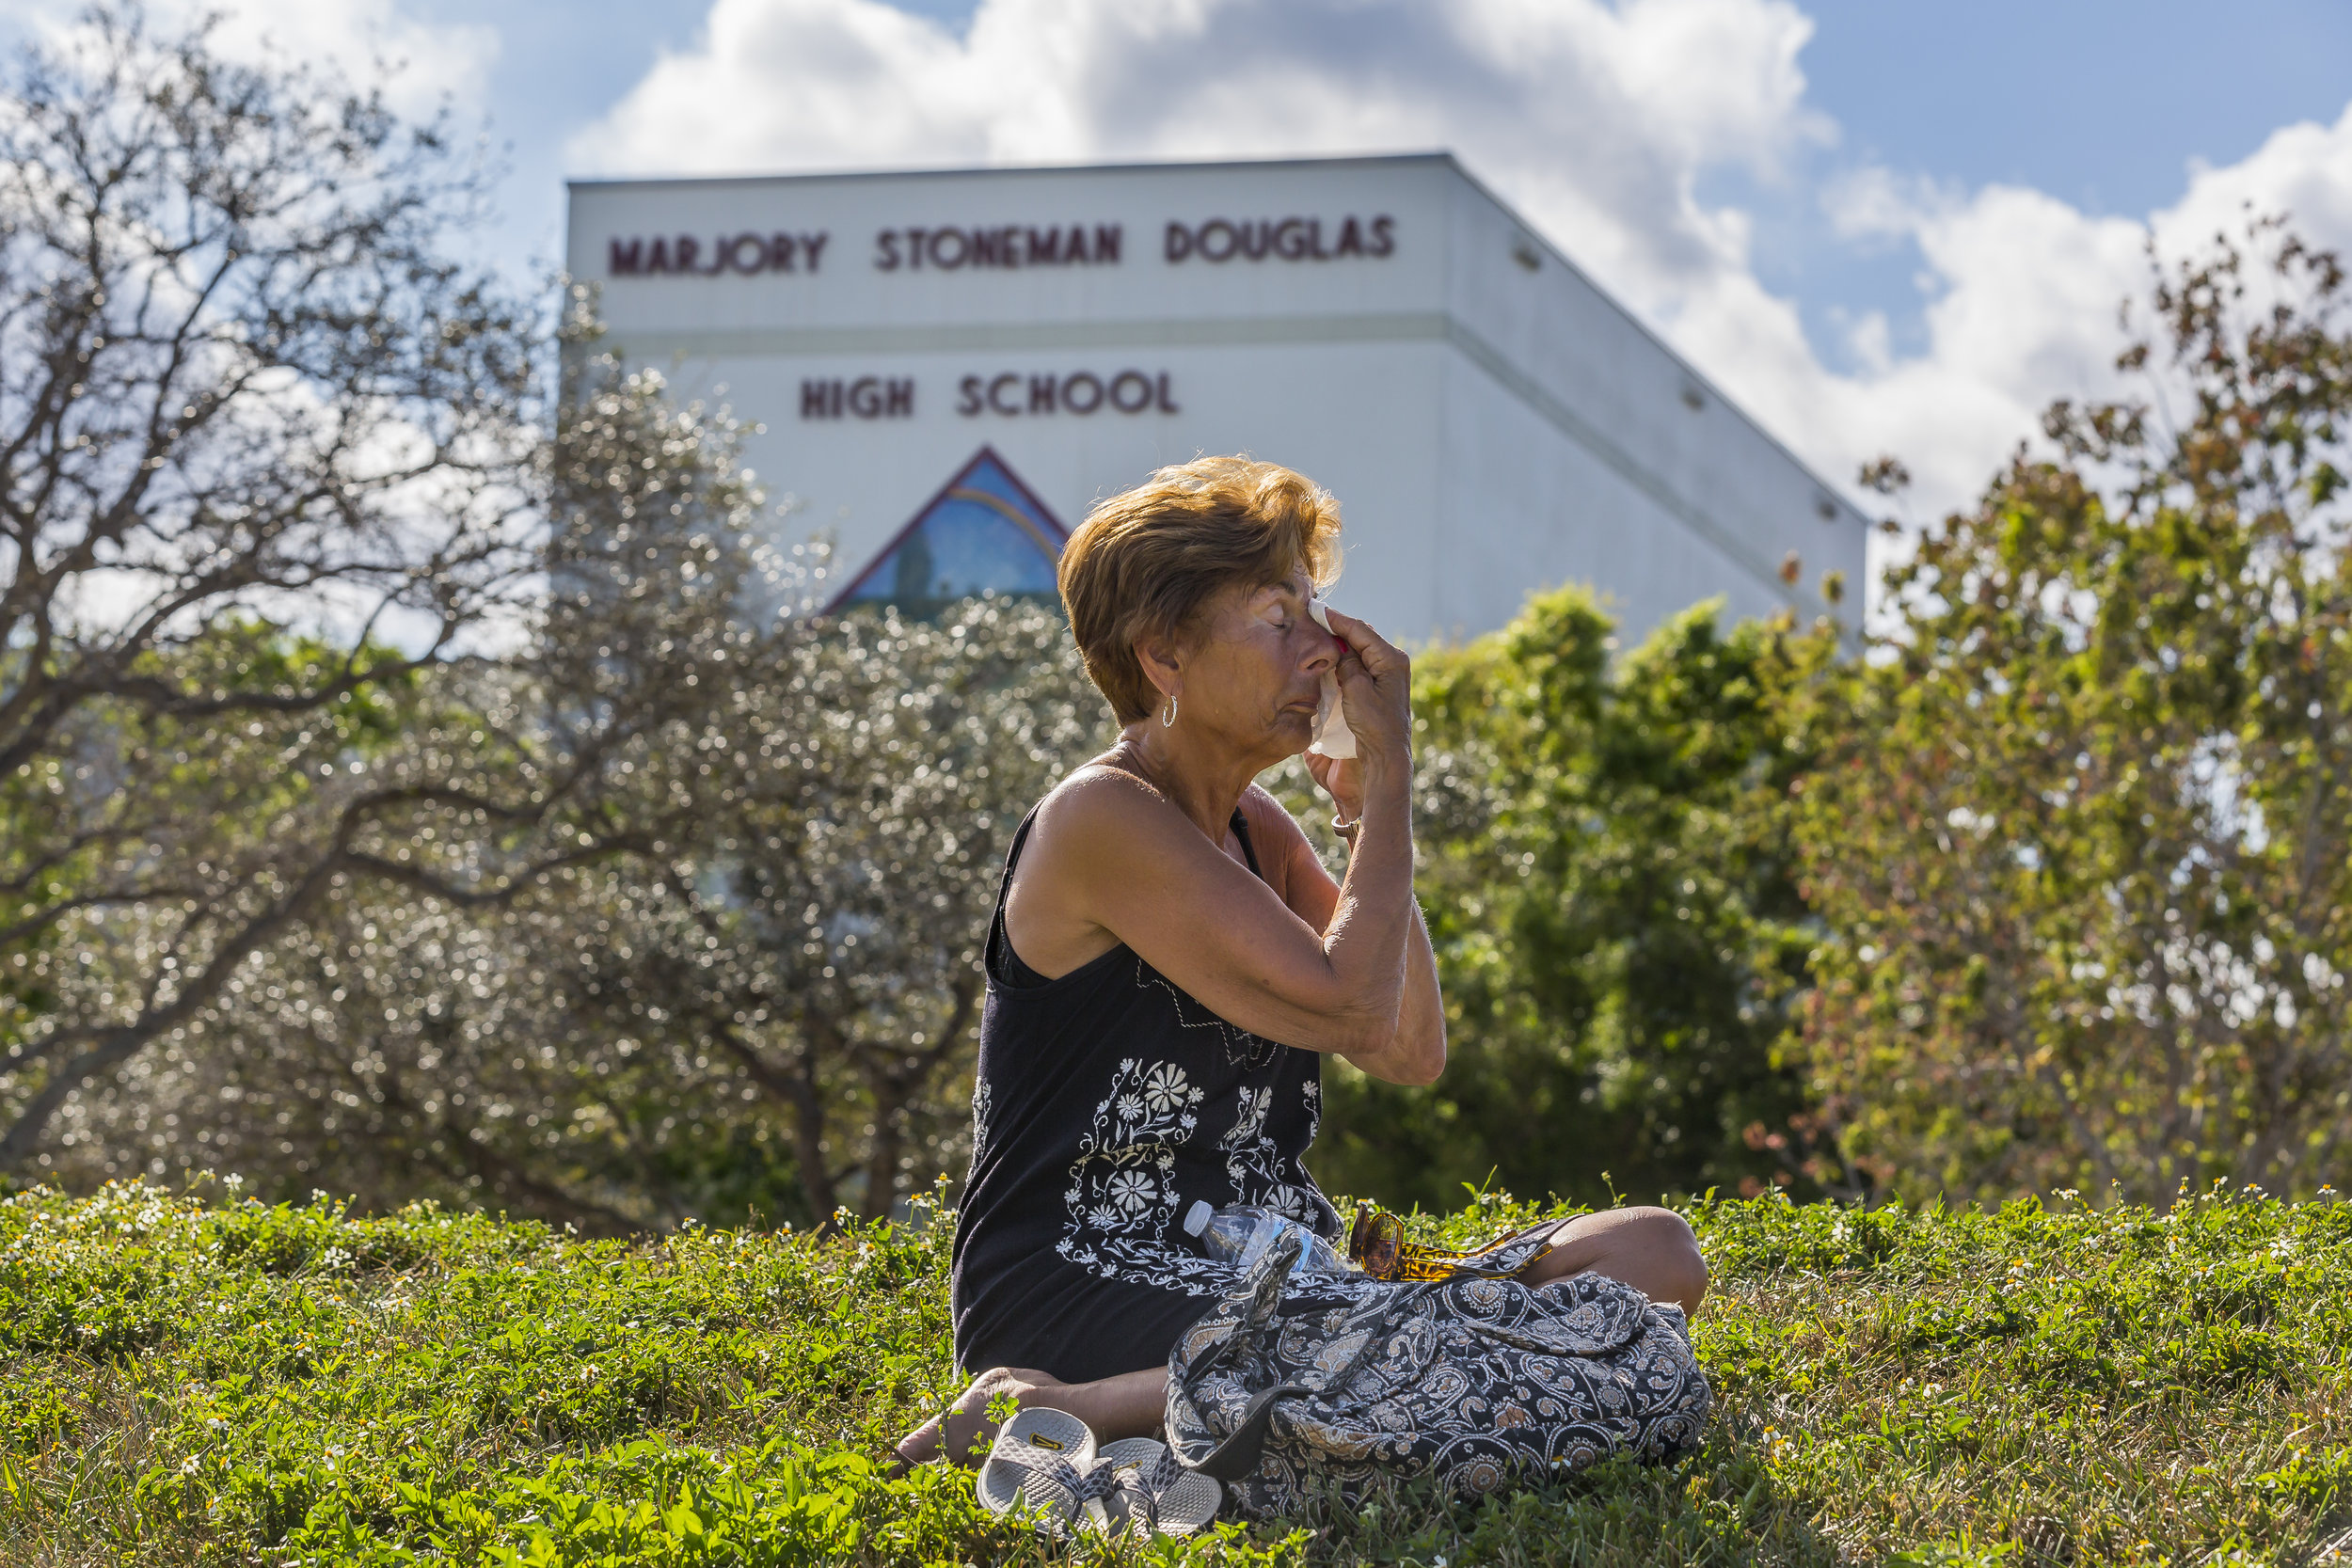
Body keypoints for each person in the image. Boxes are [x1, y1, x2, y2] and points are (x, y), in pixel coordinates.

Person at [892, 456, 1708, 1470]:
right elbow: (1354, 1009)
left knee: (1654, 1253)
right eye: (1279, 618)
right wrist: (1397, 773)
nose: (1322, 647)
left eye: (1313, 608)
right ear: (1163, 655)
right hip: (1088, 1283)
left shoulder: (1253, 825)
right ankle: (1070, 1405)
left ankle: (1361, 1363)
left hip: (1283, 1281)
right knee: (1387, 1343)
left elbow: (1407, 1045)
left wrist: (1364, 801)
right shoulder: (1097, 817)